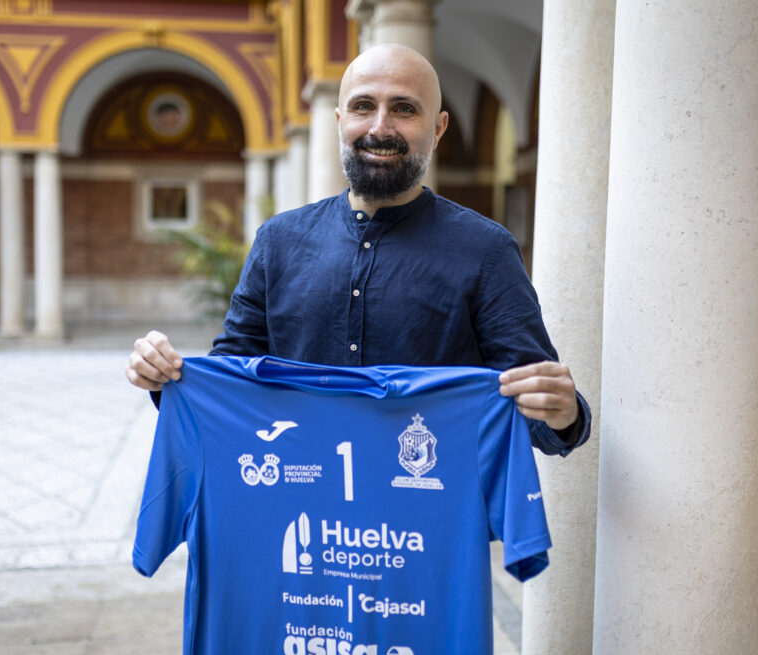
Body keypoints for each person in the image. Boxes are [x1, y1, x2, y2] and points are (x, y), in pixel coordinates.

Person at [126, 43, 590, 454]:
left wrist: (563, 413)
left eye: (404, 109)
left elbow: (536, 405)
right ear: (339, 120)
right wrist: (167, 377)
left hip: (431, 508)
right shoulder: (278, 241)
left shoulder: (486, 250)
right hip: (299, 502)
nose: (380, 128)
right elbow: (231, 381)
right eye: (363, 106)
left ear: (438, 128)